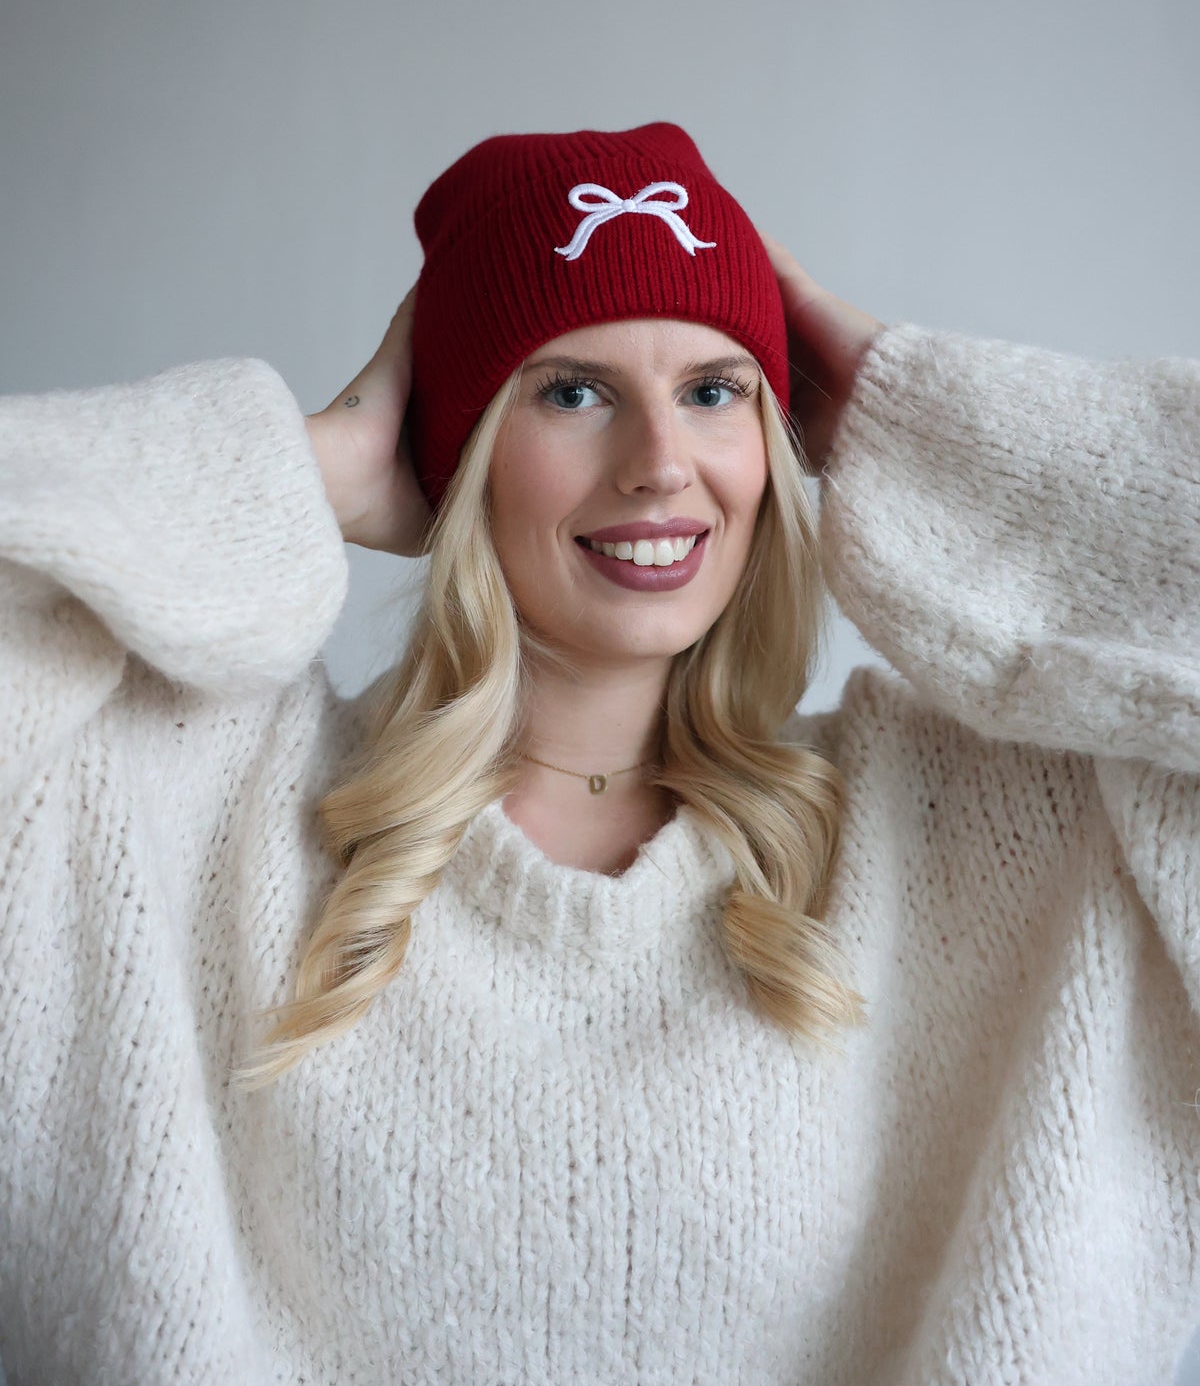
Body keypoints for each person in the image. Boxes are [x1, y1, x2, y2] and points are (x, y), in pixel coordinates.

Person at [0, 121, 1196, 1385]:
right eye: (573, 392)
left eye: (714, 392)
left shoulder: (970, 825)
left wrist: (921, 424)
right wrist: (305, 470)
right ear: (459, 450)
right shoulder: (210, 800)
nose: (661, 466)